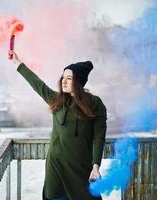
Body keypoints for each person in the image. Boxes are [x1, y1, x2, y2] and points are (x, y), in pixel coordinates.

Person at [10, 52, 107, 200]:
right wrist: (18, 63)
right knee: (53, 196)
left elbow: (99, 136)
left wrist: (96, 166)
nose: (64, 81)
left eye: (69, 78)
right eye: (63, 77)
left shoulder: (95, 103)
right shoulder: (56, 100)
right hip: (55, 164)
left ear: (79, 82)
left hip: (80, 166)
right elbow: (36, 83)